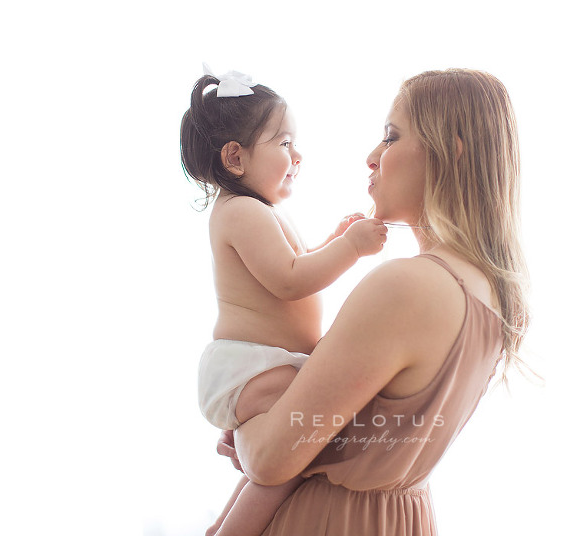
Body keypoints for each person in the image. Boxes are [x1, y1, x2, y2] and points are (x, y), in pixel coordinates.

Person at [218, 68, 530, 535]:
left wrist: (247, 431)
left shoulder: (408, 287)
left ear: (452, 151)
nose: (371, 157)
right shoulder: (490, 294)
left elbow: (267, 458)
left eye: (391, 137)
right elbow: (364, 434)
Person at [180, 66, 388, 536]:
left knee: (284, 450)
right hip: (251, 366)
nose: (298, 155)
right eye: (283, 143)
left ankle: (220, 526)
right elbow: (291, 281)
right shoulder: (242, 212)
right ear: (235, 157)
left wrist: (331, 242)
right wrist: (350, 247)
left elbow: (296, 266)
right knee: (294, 445)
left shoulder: (259, 211)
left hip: (262, 363)